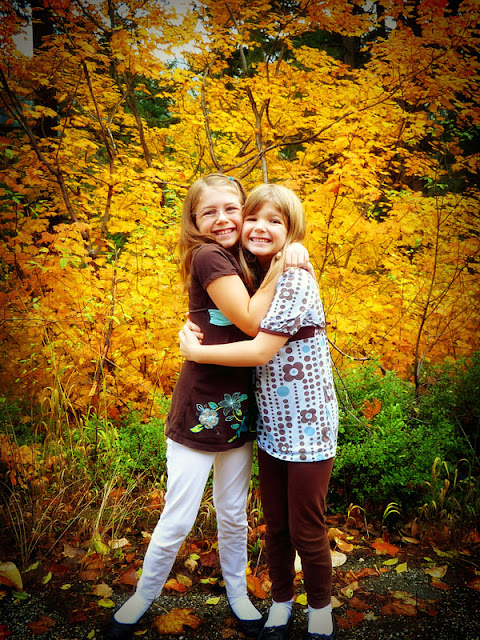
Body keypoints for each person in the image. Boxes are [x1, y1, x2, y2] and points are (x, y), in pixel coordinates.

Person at [104, 174, 309, 640]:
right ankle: (141, 598)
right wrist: (285, 262)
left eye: (231, 209)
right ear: (194, 221)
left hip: (240, 408)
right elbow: (251, 321)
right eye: (209, 212)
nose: (222, 219)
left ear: (245, 210)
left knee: (234, 512)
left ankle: (238, 594)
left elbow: (277, 257)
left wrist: (293, 250)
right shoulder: (208, 255)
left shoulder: (247, 257)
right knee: (179, 514)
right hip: (200, 404)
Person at [180, 183, 339, 640]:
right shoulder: (258, 272)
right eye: (253, 218)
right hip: (271, 426)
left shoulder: (294, 278)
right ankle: (282, 603)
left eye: (275, 221)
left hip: (308, 427)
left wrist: (198, 353)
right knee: (276, 528)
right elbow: (226, 307)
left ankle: (321, 611)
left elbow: (260, 350)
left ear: (291, 230)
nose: (259, 228)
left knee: (306, 528)